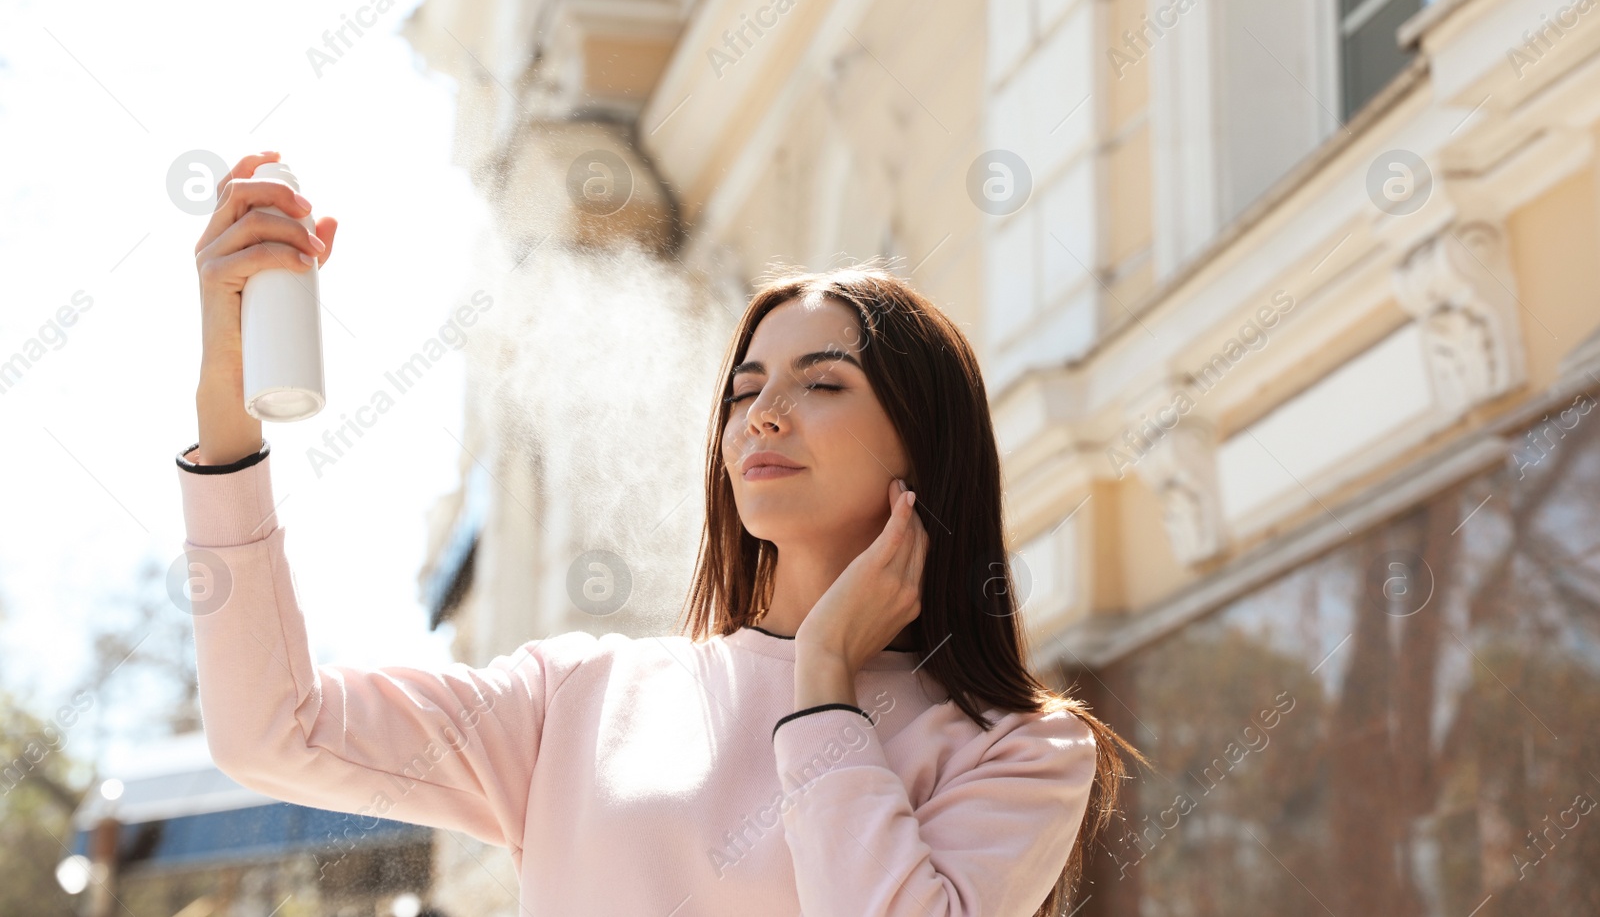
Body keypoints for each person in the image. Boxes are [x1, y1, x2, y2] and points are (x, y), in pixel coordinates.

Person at [177, 151, 1143, 915]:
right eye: (744, 390)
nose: (763, 415)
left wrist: (823, 685)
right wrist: (227, 413)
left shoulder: (1016, 751)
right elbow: (274, 729)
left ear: (924, 450)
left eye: (823, 381)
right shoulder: (578, 699)